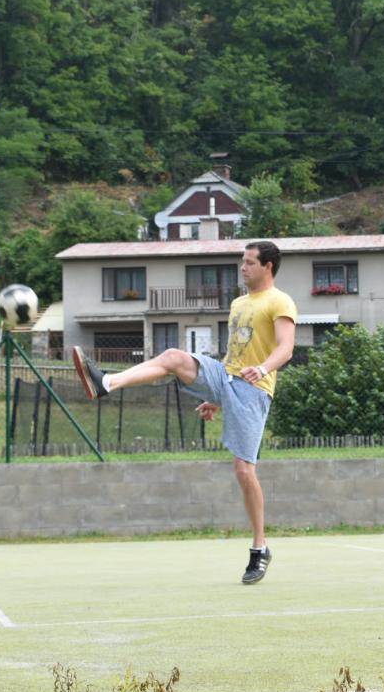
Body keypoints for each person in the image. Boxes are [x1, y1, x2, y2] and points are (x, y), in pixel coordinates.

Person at [71, 241, 296, 585]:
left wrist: (263, 369)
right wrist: (216, 396)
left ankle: (260, 547)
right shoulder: (238, 303)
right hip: (226, 376)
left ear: (268, 266)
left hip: (254, 390)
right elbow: (234, 354)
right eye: (243, 261)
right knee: (174, 357)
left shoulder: (280, 301)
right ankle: (107, 382)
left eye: (250, 262)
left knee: (243, 470)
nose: (243, 267)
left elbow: (286, 348)